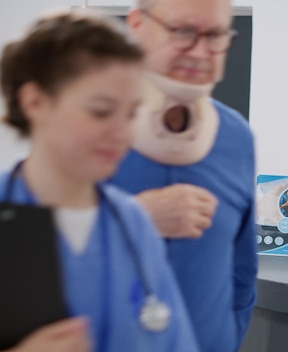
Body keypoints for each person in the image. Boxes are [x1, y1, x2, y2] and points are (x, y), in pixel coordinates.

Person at [0, 12, 198, 351]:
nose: (123, 134)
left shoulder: (131, 222)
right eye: (101, 111)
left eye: (131, 113)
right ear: (34, 102)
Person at [109, 0, 258, 350]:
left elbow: (241, 274)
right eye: (183, 31)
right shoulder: (82, 126)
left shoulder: (235, 137)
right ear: (136, 24)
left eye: (216, 35)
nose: (201, 51)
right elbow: (33, 260)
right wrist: (135, 219)